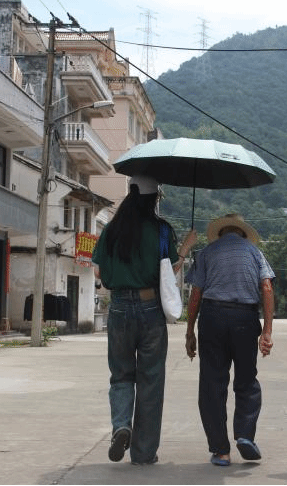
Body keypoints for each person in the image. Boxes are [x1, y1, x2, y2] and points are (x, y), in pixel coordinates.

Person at [91, 175, 197, 465]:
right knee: (151, 380)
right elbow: (168, 273)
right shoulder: (161, 230)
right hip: (150, 308)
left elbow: (98, 272)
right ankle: (144, 452)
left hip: (119, 308)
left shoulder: (111, 230)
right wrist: (184, 249)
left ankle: (121, 425)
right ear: (153, 200)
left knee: (121, 375)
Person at [184, 213, 275, 467]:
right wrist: (267, 331)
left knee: (212, 384)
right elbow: (267, 287)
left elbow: (196, 294)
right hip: (245, 318)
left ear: (221, 232)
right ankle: (245, 435)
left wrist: (190, 331)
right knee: (247, 380)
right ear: (243, 233)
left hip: (212, 317)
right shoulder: (255, 253)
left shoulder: (206, 253)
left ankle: (221, 451)